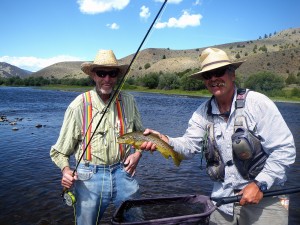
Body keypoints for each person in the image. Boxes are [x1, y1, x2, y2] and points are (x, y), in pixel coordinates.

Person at [140, 47, 296, 225]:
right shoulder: (202, 113)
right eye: (208, 75)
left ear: (233, 74)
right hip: (222, 204)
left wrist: (260, 183)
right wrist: (164, 140)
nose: (213, 79)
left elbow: (285, 150)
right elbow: (189, 145)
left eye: (219, 72)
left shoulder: (258, 104)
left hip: (265, 201)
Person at [50, 49, 144, 225]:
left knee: (136, 221)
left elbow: (141, 136)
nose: (107, 79)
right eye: (101, 73)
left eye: (112, 73)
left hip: (124, 173)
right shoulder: (78, 105)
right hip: (88, 178)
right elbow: (59, 152)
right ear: (93, 75)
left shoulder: (129, 101)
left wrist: (137, 154)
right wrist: (66, 171)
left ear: (117, 76)